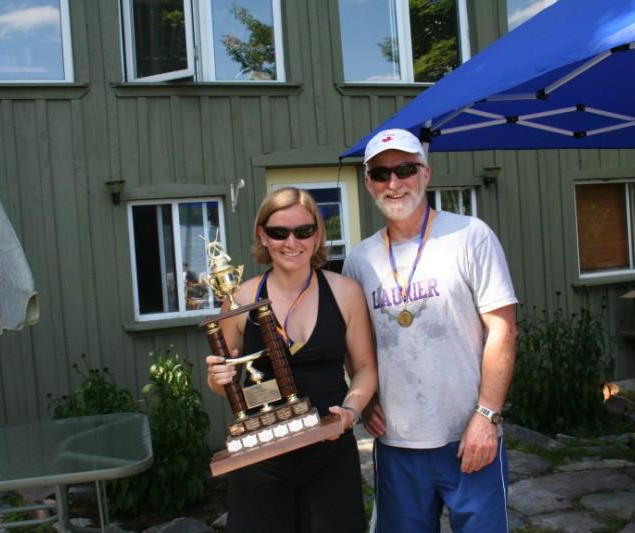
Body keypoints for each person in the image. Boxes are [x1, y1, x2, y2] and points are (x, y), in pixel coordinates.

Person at [342, 129, 519, 532]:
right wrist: (366, 402)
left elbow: (503, 330)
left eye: (405, 169)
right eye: (381, 174)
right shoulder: (359, 260)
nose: (394, 183)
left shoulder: (470, 236)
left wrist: (487, 416)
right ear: (368, 183)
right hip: (398, 444)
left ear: (425, 173)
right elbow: (356, 348)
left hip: (469, 436)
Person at [205, 187, 377, 533]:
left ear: (317, 235)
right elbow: (224, 382)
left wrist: (351, 410)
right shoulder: (240, 298)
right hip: (261, 457)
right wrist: (217, 378)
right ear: (262, 235)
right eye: (279, 232)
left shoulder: (344, 292)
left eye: (303, 230)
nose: (291, 242)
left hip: (329, 451)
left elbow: (364, 368)